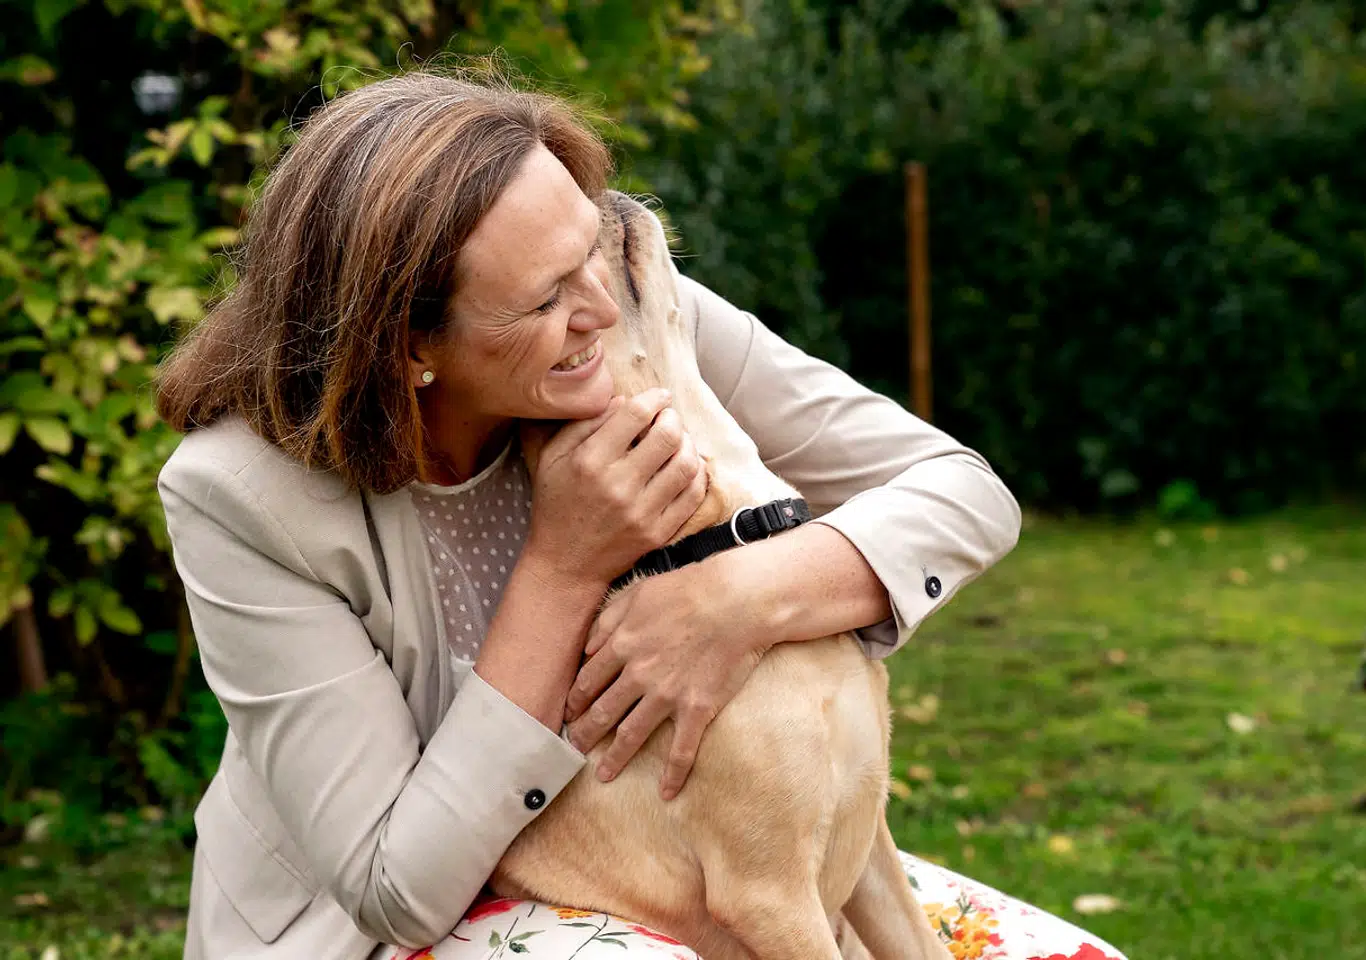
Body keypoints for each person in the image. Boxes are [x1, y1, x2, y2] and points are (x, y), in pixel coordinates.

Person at [155, 70, 1126, 960]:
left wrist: (738, 597)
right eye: (542, 299)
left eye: (589, 244)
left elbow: (964, 493)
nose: (597, 305)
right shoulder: (240, 494)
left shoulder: (620, 306)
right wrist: (564, 570)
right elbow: (393, 888)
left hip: (676, 871)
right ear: (409, 346)